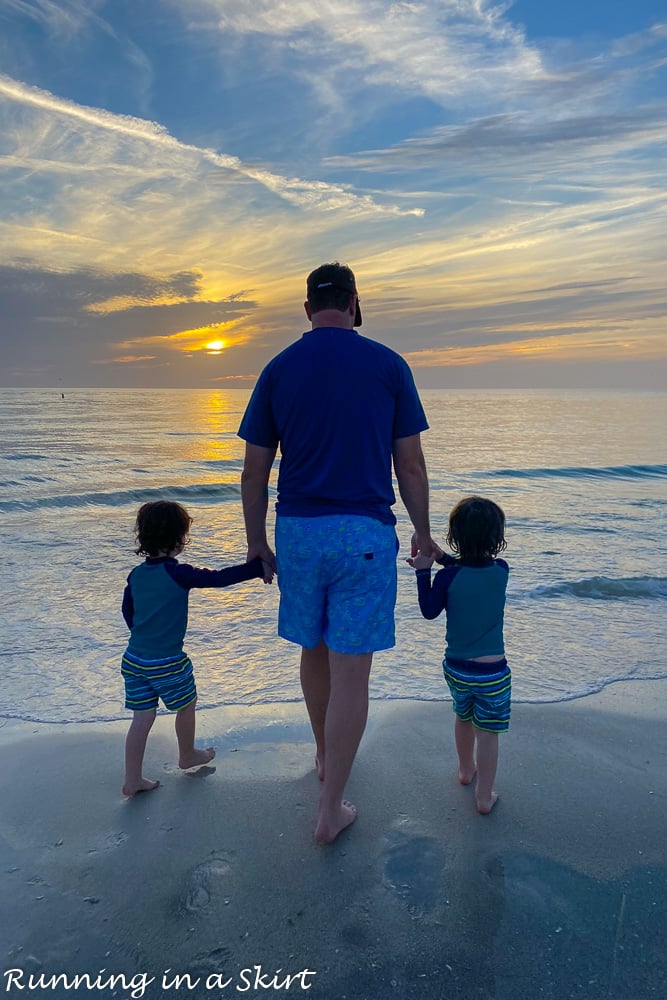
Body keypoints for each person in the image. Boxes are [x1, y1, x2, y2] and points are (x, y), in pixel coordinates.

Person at [238, 261, 438, 843]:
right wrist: (423, 532)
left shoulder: (279, 368)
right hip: (363, 536)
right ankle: (330, 810)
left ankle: (325, 756)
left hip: (300, 532)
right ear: (354, 303)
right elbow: (411, 465)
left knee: (314, 649)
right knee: (354, 671)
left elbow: (254, 473)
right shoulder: (388, 365)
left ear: (307, 309)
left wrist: (257, 543)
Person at [120, 500, 270, 797]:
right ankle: (187, 754)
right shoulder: (179, 573)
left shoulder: (136, 575)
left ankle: (132, 779)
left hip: (134, 659)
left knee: (142, 718)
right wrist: (255, 568)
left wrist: (146, 637)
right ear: (179, 540)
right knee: (186, 705)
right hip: (167, 661)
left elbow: (129, 612)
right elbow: (216, 579)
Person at [409, 495, 509, 814]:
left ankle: (466, 771)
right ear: (497, 539)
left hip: (456, 669)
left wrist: (424, 571)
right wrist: (441, 558)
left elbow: (429, 610)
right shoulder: (502, 571)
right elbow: (471, 569)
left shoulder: (447, 577)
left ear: (455, 537)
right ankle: (484, 797)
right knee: (489, 733)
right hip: (493, 673)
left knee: (463, 717)